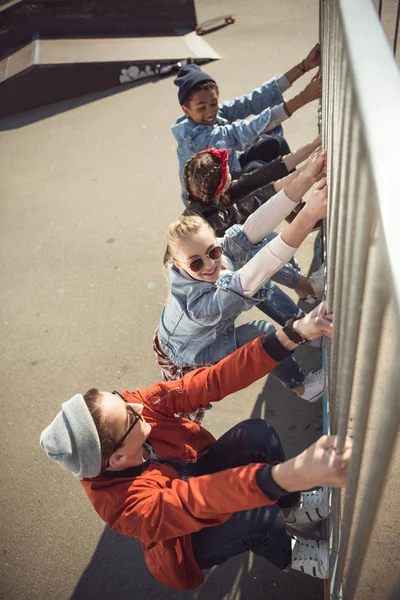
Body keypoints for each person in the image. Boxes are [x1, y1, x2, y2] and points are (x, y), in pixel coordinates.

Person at [40, 304, 352, 591]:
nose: (136, 403)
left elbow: (210, 381)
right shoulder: (124, 507)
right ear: (118, 457)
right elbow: (193, 501)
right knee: (258, 517)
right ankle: (293, 554)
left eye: (121, 398)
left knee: (256, 433)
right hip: (185, 541)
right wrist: (286, 475)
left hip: (193, 478)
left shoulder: (133, 407)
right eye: (130, 415)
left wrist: (293, 333)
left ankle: (293, 508)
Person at [157, 160, 328, 403]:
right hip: (190, 348)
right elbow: (260, 267)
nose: (209, 264)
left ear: (215, 240)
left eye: (213, 252)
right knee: (260, 333)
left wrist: (308, 175)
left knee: (260, 281)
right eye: (196, 263)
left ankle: (311, 331)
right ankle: (303, 387)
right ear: (177, 264)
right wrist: (309, 214)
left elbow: (253, 227)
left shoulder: (208, 254)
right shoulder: (199, 305)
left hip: (185, 330)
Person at [172, 44, 321, 202]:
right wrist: (304, 97)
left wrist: (303, 66)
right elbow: (242, 131)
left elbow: (250, 102)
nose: (209, 112)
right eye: (201, 107)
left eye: (213, 104)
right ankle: (290, 207)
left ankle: (295, 201)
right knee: (257, 170)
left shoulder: (209, 115)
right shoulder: (197, 139)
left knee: (275, 144)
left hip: (230, 172)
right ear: (186, 110)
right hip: (214, 201)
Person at [182, 144, 325, 302]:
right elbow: (256, 200)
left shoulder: (212, 195)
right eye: (228, 168)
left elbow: (262, 177)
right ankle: (308, 289)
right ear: (222, 182)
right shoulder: (215, 221)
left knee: (267, 239)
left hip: (216, 259)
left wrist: (310, 159)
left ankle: (303, 291)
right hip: (204, 289)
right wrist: (308, 173)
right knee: (258, 260)